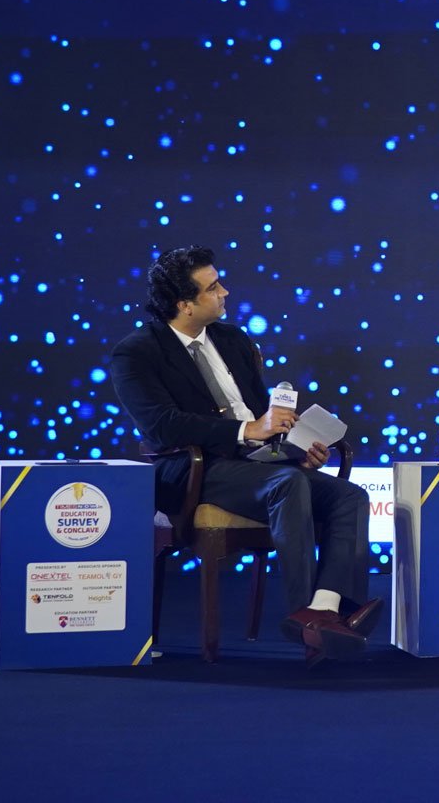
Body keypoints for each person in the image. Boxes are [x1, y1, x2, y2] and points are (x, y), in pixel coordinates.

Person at [110, 246, 377, 664]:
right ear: (184, 304)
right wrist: (246, 430)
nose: (225, 292)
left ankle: (325, 610)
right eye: (213, 287)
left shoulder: (233, 340)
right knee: (287, 485)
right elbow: (162, 426)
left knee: (349, 496)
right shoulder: (137, 352)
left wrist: (295, 449)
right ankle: (307, 621)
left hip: (257, 466)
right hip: (194, 468)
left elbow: (259, 414)